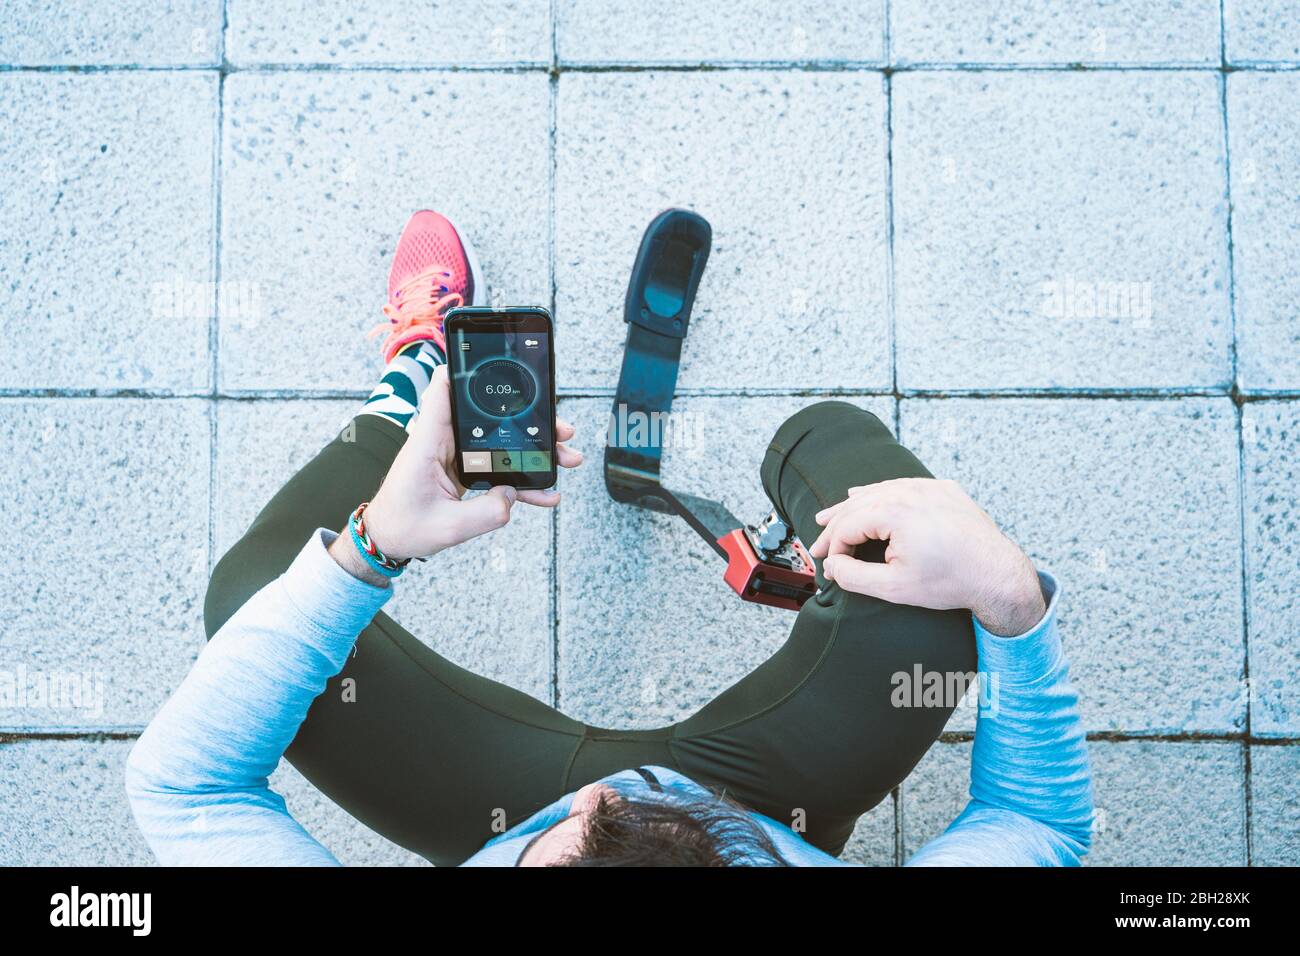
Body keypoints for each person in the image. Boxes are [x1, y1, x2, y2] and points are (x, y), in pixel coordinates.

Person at [126, 211, 1093, 866]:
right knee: (889, 521)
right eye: (620, 813)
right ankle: (817, 530)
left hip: (500, 802)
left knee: (252, 597)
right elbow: (1034, 820)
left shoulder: (558, 821)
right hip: (761, 808)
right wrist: (1010, 598)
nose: (606, 793)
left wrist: (372, 544)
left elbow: (186, 787)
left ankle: (415, 386)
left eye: (561, 848)